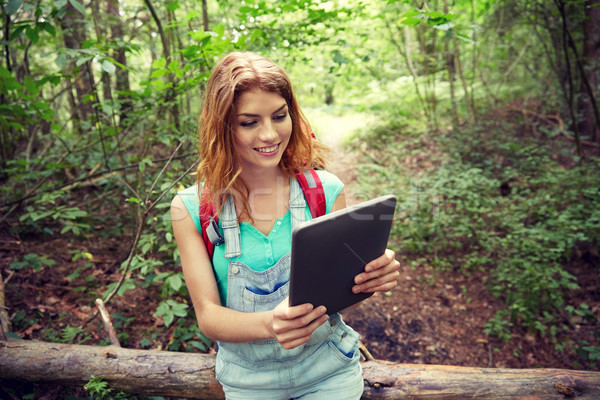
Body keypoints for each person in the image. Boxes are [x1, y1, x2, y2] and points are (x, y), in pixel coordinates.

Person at [170, 51, 400, 399]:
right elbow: (208, 315)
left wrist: (371, 279)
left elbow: (336, 296)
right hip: (248, 381)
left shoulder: (324, 191)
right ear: (223, 126)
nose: (269, 134)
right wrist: (268, 324)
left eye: (279, 116)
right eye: (249, 122)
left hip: (329, 370)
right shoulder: (191, 208)